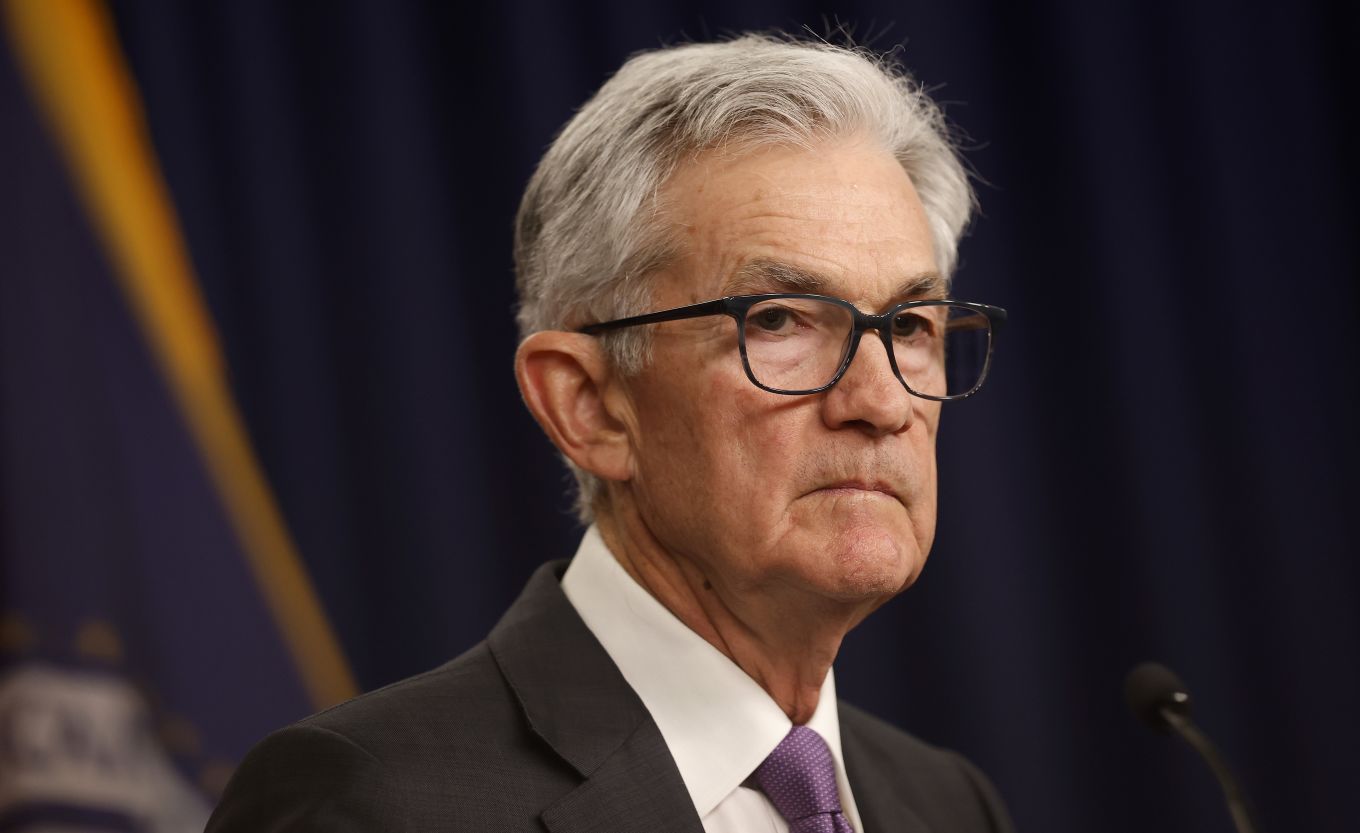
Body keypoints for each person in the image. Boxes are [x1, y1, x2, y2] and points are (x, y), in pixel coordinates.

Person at [206, 34, 1013, 833]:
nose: (880, 401)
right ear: (588, 404)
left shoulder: (947, 804)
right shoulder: (373, 803)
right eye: (778, 319)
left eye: (910, 325)